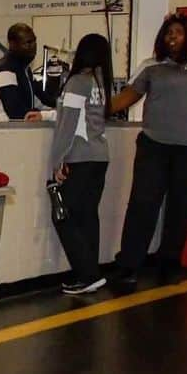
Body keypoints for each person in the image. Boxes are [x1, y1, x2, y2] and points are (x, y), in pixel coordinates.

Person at [110, 12, 187, 285]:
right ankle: (128, 265)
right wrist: (93, 108)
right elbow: (127, 97)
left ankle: (169, 263)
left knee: (180, 207)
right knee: (143, 204)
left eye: (177, 32)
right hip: (155, 145)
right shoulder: (150, 66)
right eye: (168, 33)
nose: (172, 37)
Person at [45, 32, 113, 295]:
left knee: (62, 214)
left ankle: (88, 274)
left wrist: (56, 161)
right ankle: (87, 274)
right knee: (87, 217)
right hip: (99, 156)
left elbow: (68, 125)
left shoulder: (77, 82)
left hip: (80, 157)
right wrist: (44, 114)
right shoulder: (99, 82)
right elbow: (76, 114)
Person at [0, 23, 54, 121]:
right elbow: (15, 112)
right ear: (12, 44)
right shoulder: (5, 70)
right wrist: (45, 115)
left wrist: (61, 106)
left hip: (18, 128)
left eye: (34, 41)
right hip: (5, 129)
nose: (33, 46)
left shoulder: (24, 69)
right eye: (27, 43)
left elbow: (44, 98)